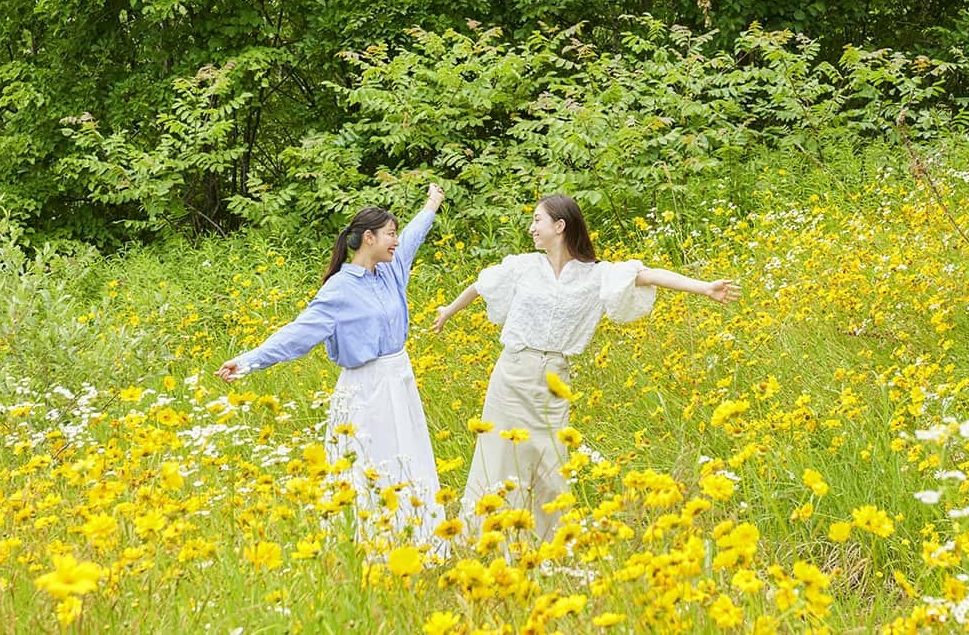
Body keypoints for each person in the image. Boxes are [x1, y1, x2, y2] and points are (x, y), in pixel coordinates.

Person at [433, 193, 740, 543]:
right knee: (498, 456)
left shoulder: (595, 275)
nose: (532, 227)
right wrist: (448, 310)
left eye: (538, 220)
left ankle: (547, 542)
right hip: (512, 372)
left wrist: (704, 288)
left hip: (553, 380)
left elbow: (646, 275)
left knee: (550, 462)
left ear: (559, 226)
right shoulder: (523, 267)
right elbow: (481, 285)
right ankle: (485, 536)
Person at [217, 184, 446, 544]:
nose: (397, 241)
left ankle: (417, 535)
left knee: (407, 456)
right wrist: (249, 361)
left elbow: (415, 236)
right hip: (365, 388)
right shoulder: (339, 290)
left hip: (399, 380)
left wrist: (432, 203)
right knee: (370, 464)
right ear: (368, 238)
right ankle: (369, 543)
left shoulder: (390, 271)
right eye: (390, 234)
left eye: (396, 234)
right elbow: (297, 334)